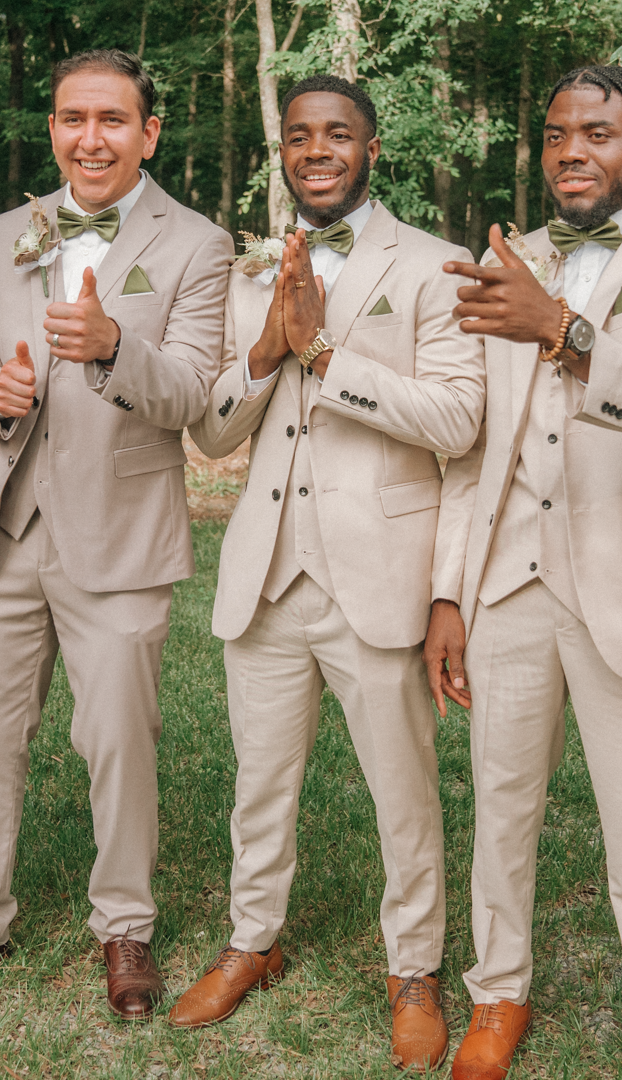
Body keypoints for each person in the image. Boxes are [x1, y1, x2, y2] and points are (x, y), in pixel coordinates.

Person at [0, 49, 232, 1020]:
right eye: (73, 119)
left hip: (118, 530)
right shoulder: (6, 232)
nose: (90, 138)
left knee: (117, 735)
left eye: (111, 120)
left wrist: (118, 348)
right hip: (2, 520)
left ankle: (123, 924)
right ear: (52, 129)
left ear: (147, 133)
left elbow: (197, 394)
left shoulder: (197, 244)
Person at [425, 65, 622, 1080]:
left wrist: (565, 333)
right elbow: (473, 447)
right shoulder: (504, 256)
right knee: (499, 802)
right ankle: (495, 991)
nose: (572, 149)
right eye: (557, 132)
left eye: (599, 133)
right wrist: (448, 587)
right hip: (508, 578)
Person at [174, 76, 485, 1068]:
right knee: (258, 782)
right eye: (299, 136)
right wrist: (267, 349)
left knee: (403, 790)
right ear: (283, 152)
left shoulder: (437, 266)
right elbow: (213, 434)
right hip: (266, 572)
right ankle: (250, 940)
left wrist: (326, 349)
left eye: (336, 134)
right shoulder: (247, 269)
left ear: (371, 147)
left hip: (379, 574)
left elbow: (455, 420)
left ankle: (415, 968)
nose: (316, 150)